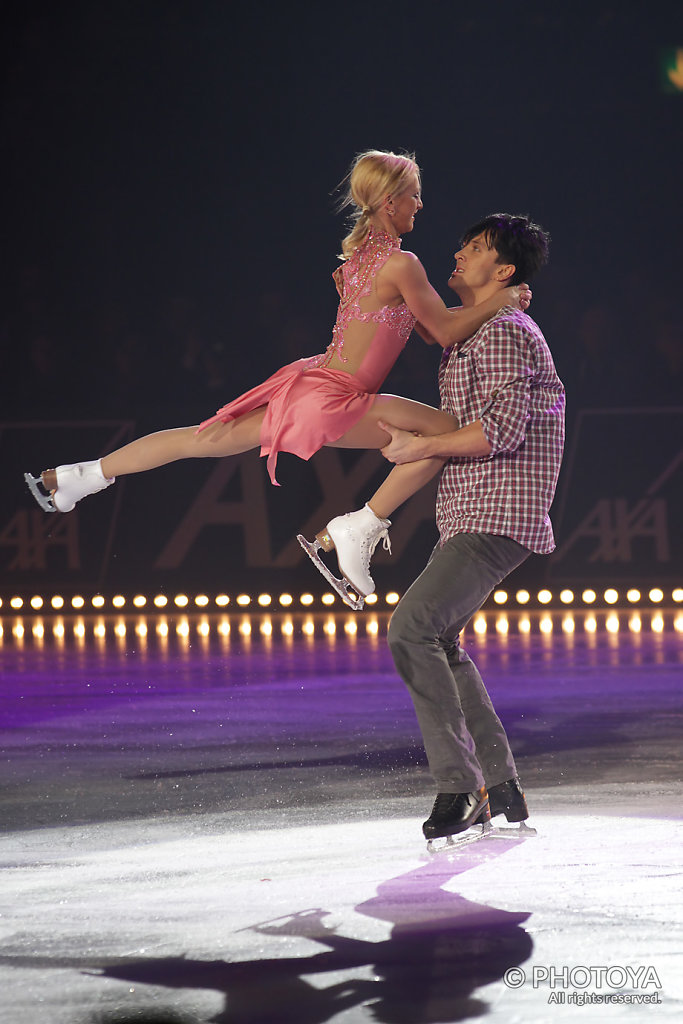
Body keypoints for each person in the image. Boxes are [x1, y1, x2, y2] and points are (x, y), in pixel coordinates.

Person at [24, 151, 529, 521]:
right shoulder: (401, 263)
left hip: (317, 380)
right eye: (415, 194)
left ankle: (80, 476)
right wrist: (500, 301)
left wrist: (480, 303)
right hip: (337, 395)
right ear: (391, 200)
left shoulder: (359, 262)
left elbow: (418, 328)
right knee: (445, 430)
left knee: (200, 440)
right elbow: (442, 331)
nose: (420, 203)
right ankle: (363, 526)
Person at [374, 213, 564, 842]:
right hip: (472, 511)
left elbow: (502, 431)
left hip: (497, 513)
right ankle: (501, 781)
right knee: (441, 642)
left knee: (411, 629)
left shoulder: (506, 331)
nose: (458, 253)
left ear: (504, 271)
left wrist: (413, 449)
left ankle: (461, 787)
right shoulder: (475, 333)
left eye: (476, 248)